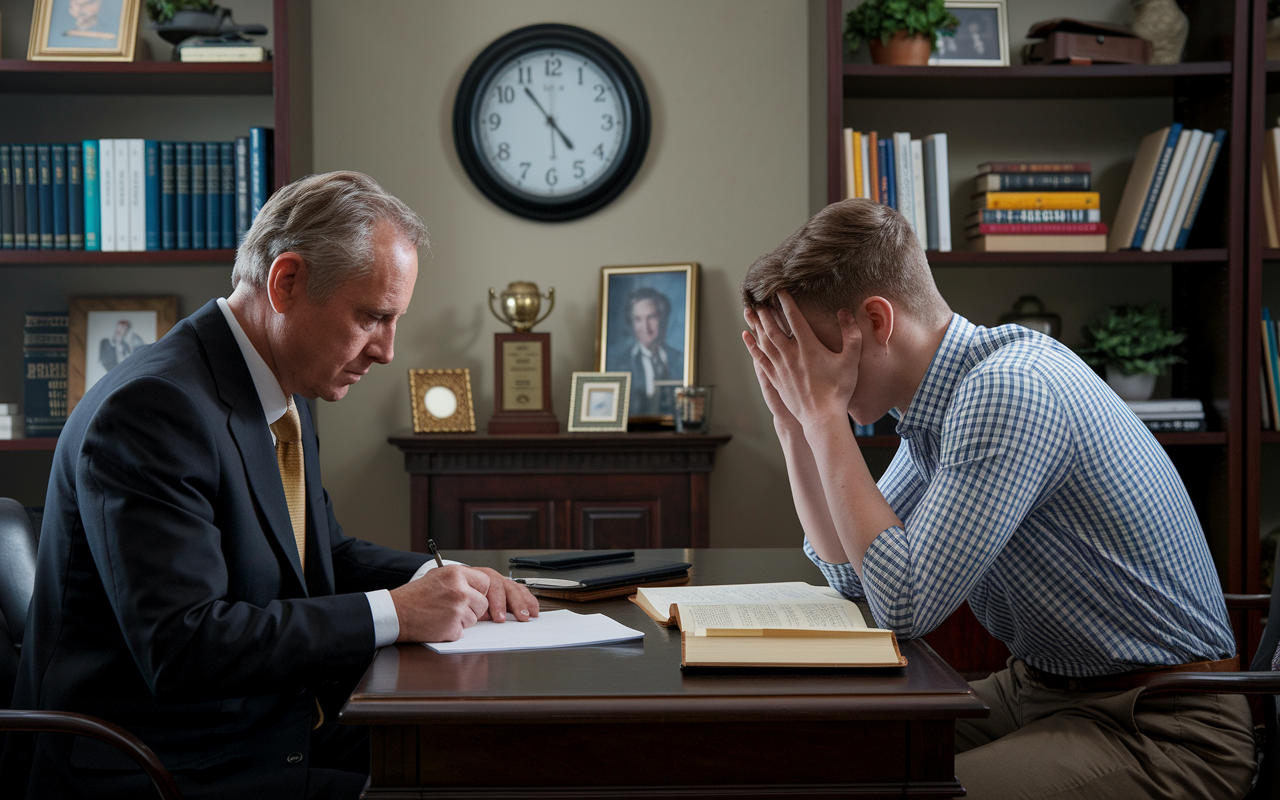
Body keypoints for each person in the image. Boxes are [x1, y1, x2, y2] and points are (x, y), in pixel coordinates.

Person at [1, 171, 539, 799]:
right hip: (163, 767)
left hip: (262, 728)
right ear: (286, 283)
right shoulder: (153, 410)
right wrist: (396, 612)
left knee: (495, 754)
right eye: (372, 318)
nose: (388, 351)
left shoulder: (279, 387)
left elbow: (324, 554)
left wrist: (439, 578)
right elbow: (184, 645)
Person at [738, 198, 1255, 799]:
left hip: (1163, 721)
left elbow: (905, 607)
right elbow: (852, 576)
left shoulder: (1004, 390)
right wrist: (795, 424)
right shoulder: (940, 405)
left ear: (877, 323)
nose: (803, 375)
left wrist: (825, 418)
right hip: (1041, 690)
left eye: (813, 353)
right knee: (821, 756)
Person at [621, 287, 683, 416]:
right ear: (631, 323)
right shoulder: (619, 364)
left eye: (651, 317)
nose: (645, 327)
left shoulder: (681, 360)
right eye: (638, 319)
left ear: (664, 318)